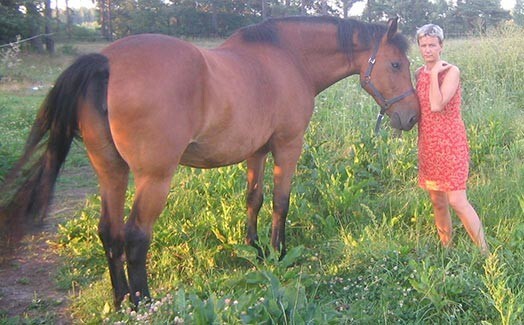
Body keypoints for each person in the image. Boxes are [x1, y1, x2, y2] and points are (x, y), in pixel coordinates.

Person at [414, 24, 488, 254]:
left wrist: (435, 73)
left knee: (457, 200)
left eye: (432, 45)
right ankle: (447, 249)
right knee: (438, 200)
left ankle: (485, 253)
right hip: (428, 142)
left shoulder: (451, 71)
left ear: (441, 46)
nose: (428, 50)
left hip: (450, 142)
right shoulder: (418, 73)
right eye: (423, 45)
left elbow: (436, 105)